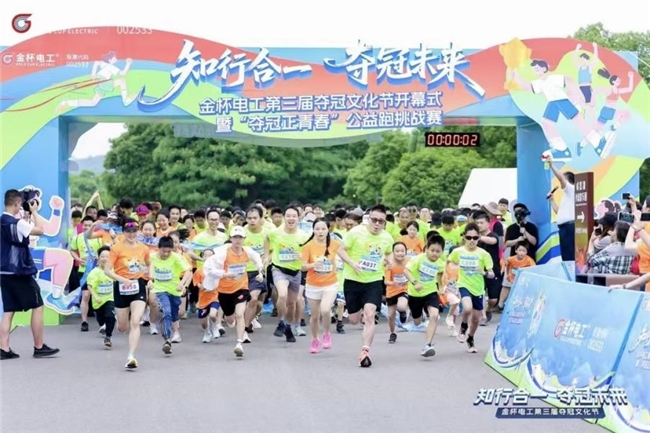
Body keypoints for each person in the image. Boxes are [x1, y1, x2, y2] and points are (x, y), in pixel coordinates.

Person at [0, 189, 59, 360]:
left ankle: (3, 348)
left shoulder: (3, 221)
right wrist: (35, 212)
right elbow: (40, 230)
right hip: (19, 271)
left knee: (9, 310)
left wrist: (26, 217)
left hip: (4, 271)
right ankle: (39, 346)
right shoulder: (17, 223)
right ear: (17, 203)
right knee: (38, 305)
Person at [338, 204, 394, 367]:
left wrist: (389, 261)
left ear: (384, 223)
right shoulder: (355, 232)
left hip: (373, 281)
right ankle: (358, 311)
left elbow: (389, 252)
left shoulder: (387, 237)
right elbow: (341, 250)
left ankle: (365, 351)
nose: (377, 224)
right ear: (368, 219)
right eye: (374, 220)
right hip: (353, 280)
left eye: (381, 221)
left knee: (370, 315)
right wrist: (352, 263)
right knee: (354, 320)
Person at [203, 226, 264, 358]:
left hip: (241, 287)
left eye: (240, 237)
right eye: (235, 237)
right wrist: (224, 274)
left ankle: (239, 343)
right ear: (231, 239)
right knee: (230, 319)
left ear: (244, 239)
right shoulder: (223, 253)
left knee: (240, 314)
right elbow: (208, 267)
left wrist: (260, 271)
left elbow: (258, 258)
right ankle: (230, 322)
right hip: (224, 290)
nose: (237, 240)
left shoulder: (247, 251)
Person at [300, 218, 341, 354]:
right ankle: (315, 339)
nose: (320, 232)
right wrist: (313, 265)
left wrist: (354, 264)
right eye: (317, 229)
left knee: (325, 309)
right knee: (315, 316)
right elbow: (302, 267)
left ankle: (327, 333)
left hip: (330, 283)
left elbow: (346, 255)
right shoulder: (308, 246)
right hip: (313, 285)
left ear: (328, 230)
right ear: (313, 230)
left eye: (323, 229)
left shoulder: (334, 244)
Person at [549, 158, 576, 261]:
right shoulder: (567, 195)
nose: (560, 181)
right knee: (565, 256)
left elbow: (560, 178)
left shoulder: (571, 189)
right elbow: (559, 212)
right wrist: (552, 200)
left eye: (563, 179)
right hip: (564, 228)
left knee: (569, 256)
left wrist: (551, 164)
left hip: (569, 227)